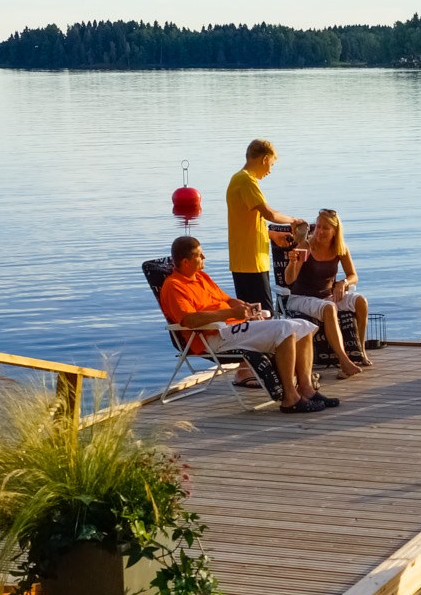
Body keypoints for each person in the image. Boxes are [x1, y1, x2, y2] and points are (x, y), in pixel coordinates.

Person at [158, 236, 338, 414]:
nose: (204, 258)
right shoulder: (174, 286)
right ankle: (290, 398)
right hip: (214, 336)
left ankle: (306, 389)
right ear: (185, 262)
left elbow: (227, 299)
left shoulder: (201, 277)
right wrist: (230, 314)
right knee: (285, 329)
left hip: (233, 329)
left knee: (303, 326)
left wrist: (243, 307)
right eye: (199, 255)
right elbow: (190, 320)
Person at [282, 209, 370, 379]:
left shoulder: (340, 249)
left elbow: (354, 276)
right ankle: (343, 360)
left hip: (326, 296)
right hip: (301, 298)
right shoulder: (305, 247)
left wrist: (342, 283)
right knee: (329, 308)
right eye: (319, 227)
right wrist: (292, 263)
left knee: (361, 301)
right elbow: (289, 280)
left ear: (335, 231)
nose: (320, 232)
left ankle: (361, 352)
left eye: (326, 228)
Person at [226, 139, 305, 315]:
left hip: (245, 258)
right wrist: (293, 221)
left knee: (253, 314)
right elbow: (269, 214)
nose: (270, 170)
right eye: (272, 163)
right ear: (264, 159)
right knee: (264, 314)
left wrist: (271, 234)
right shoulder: (247, 181)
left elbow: (247, 220)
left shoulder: (238, 179)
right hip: (251, 261)